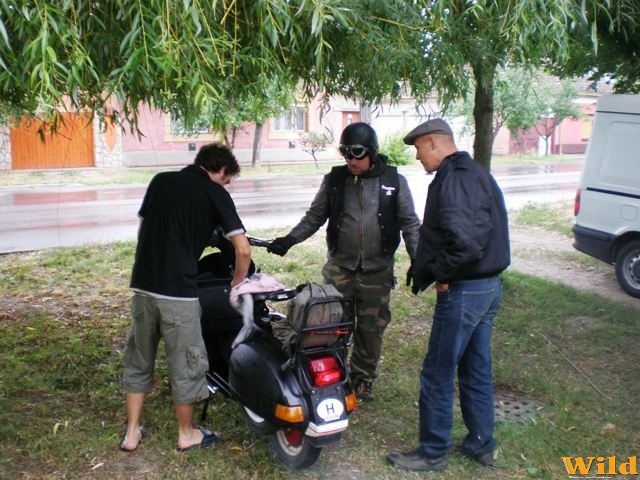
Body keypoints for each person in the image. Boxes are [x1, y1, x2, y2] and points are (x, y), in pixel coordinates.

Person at [387, 118, 510, 472]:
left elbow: (466, 242)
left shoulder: (454, 178)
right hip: (488, 287)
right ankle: (481, 443)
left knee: (437, 372)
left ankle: (432, 451)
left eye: (418, 149)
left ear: (434, 144)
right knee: (475, 367)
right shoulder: (477, 173)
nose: (417, 157)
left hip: (466, 290)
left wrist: (442, 274)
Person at [267, 122, 420, 401]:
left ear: (372, 151)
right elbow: (314, 217)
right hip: (340, 269)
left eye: (357, 154)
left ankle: (363, 379)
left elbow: (411, 225)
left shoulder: (394, 181)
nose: (351, 160)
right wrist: (289, 240)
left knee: (371, 331)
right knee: (333, 327)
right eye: (345, 154)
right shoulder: (334, 181)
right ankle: (336, 375)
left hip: (377, 272)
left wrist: (418, 261)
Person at [119, 143, 251, 453]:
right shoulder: (214, 192)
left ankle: (131, 433)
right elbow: (243, 250)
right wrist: (237, 283)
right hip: (178, 294)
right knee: (187, 364)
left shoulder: (160, 181)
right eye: (227, 179)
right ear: (220, 171)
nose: (226, 184)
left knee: (139, 360)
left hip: (142, 286)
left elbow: (143, 231)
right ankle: (187, 433)